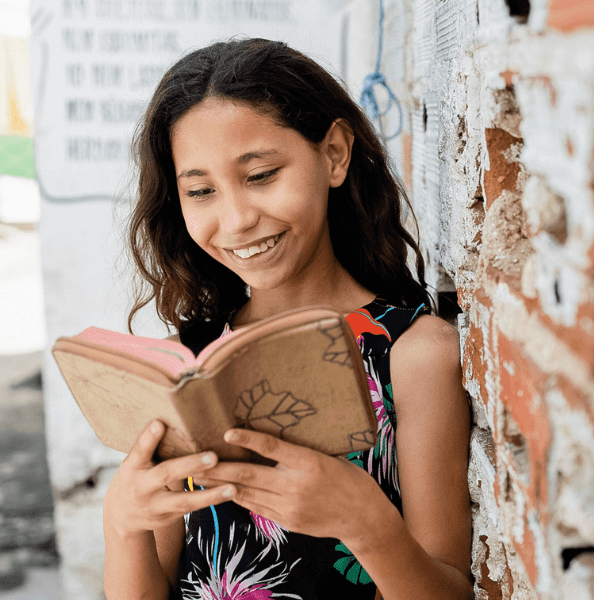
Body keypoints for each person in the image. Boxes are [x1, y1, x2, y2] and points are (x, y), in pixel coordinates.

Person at [104, 38, 473, 599]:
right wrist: (123, 522)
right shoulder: (185, 369)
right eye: (200, 190)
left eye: (260, 175)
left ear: (334, 155)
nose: (236, 219)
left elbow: (449, 589)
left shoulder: (412, 354)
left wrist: (364, 523)